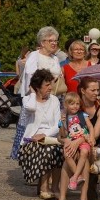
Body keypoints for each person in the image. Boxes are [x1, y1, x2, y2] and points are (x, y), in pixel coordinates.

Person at [12, 27, 62, 161]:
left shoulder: (55, 58)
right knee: (31, 128)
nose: (54, 43)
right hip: (36, 96)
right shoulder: (34, 55)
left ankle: (48, 163)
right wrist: (40, 89)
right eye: (50, 40)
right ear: (42, 42)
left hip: (52, 97)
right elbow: (31, 75)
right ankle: (30, 161)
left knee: (50, 126)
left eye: (56, 41)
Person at [16, 69, 64, 200]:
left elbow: (58, 124)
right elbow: (31, 108)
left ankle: (55, 186)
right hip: (30, 141)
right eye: (46, 85)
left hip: (49, 138)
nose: (50, 88)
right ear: (37, 87)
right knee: (48, 150)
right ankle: (44, 187)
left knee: (58, 150)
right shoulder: (28, 100)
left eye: (50, 84)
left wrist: (44, 135)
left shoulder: (54, 100)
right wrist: (32, 93)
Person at [60, 92, 95, 194]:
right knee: (67, 154)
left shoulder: (82, 115)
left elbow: (90, 127)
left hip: (83, 138)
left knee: (84, 152)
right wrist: (61, 124)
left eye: (77, 104)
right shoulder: (64, 117)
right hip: (71, 140)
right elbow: (63, 134)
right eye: (72, 104)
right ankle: (77, 176)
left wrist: (91, 137)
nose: (75, 106)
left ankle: (74, 177)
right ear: (66, 105)